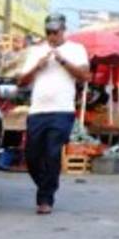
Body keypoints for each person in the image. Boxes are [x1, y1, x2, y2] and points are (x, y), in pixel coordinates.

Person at [18, 12, 90, 215]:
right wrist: (36, 67)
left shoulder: (76, 50)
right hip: (37, 111)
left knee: (51, 153)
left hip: (62, 111)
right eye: (48, 32)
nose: (51, 36)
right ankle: (46, 185)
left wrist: (63, 61)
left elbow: (85, 76)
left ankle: (45, 199)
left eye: (55, 32)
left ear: (63, 30)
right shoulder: (36, 51)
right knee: (31, 155)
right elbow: (21, 81)